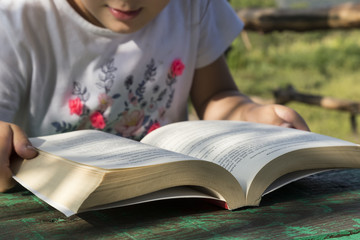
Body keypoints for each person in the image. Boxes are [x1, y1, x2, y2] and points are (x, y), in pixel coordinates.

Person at [0, 0, 309, 192]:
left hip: (171, 198)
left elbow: (217, 95)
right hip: (60, 208)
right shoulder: (18, 18)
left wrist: (251, 117)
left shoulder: (191, 6)